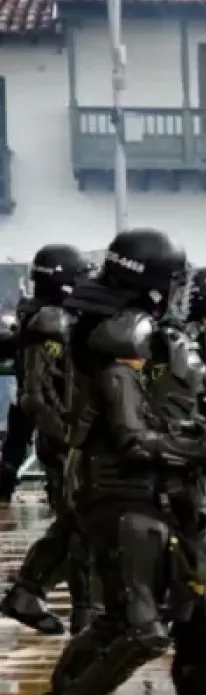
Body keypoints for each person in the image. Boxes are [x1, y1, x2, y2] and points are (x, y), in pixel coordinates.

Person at [17, 229, 206, 695]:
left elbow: (178, 405)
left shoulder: (150, 332)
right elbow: (132, 436)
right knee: (137, 628)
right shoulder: (119, 336)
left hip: (170, 497)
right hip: (126, 496)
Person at [0, 244, 97, 636]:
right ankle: (81, 609)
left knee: (79, 524)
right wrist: (70, 437)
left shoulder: (49, 319)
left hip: (69, 439)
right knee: (81, 525)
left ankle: (39, 594)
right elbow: (38, 395)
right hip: (64, 443)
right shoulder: (49, 323)